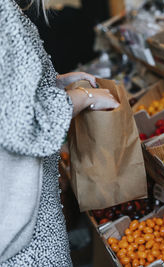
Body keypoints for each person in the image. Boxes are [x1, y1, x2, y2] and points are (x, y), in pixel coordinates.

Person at [0, 0, 120, 265]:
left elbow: (9, 92)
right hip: (26, 233)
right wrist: (82, 96)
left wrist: (55, 83)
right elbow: (19, 122)